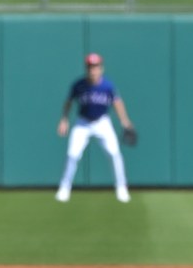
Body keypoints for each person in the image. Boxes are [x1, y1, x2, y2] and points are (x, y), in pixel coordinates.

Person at [55, 52, 134, 203]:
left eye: (96, 67)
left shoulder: (107, 86)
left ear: (101, 68)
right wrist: (64, 119)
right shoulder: (78, 85)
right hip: (82, 123)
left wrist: (125, 121)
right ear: (86, 68)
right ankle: (64, 188)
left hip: (102, 123)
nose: (93, 70)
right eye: (90, 67)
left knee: (114, 154)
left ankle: (121, 188)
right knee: (72, 155)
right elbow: (69, 102)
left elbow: (117, 103)